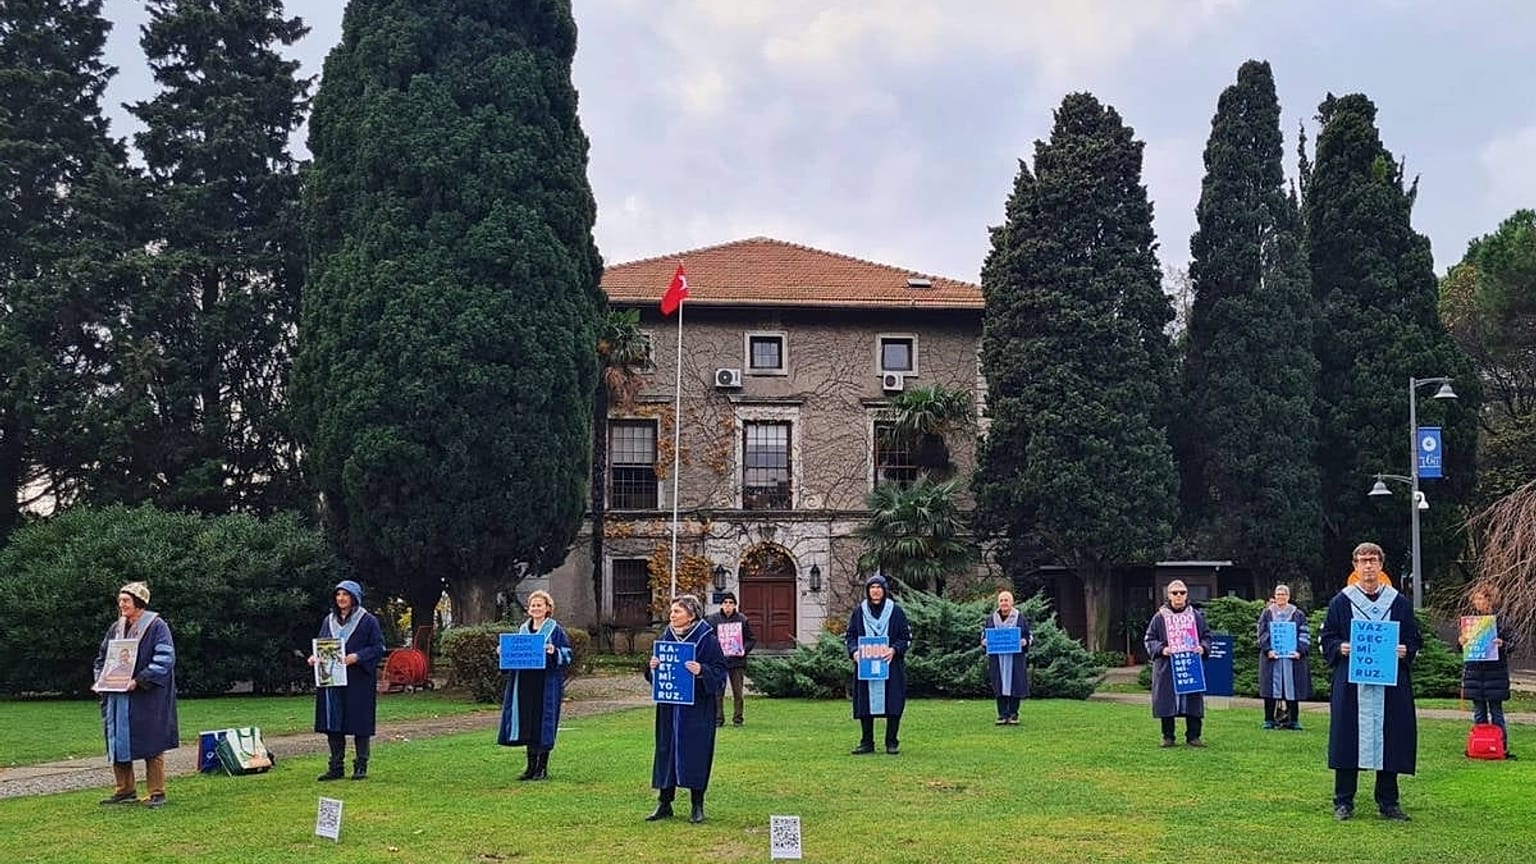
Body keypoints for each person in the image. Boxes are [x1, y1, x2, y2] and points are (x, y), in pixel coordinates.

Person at [1321, 542, 1421, 821]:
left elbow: (1414, 638)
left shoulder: (1398, 602)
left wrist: (1406, 650)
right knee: (1347, 738)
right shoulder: (1341, 602)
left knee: (1391, 738)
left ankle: (1388, 802)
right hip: (1352, 685)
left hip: (1390, 684)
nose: (1368, 566)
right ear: (1355, 566)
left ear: (1381, 565)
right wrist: (1339, 647)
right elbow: (1326, 637)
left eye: (1373, 560)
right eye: (1363, 561)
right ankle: (1343, 801)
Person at [644, 595, 728, 824]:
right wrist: (652, 668)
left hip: (697, 708)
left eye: (677, 611)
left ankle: (697, 804)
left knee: (696, 752)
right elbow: (654, 673)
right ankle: (664, 802)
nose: (672, 615)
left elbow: (720, 672)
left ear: (691, 615)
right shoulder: (666, 637)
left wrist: (702, 670)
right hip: (670, 708)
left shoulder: (706, 639)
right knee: (666, 750)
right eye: (671, 611)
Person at [94, 582, 178, 808]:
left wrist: (139, 680)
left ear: (139, 603)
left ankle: (157, 792)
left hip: (146, 697)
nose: (121, 604)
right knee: (117, 743)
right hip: (117, 696)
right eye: (120, 600)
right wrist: (100, 680)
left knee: (152, 743)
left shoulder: (157, 626)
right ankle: (125, 790)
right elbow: (103, 657)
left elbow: (165, 659)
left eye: (126, 600)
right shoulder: (116, 628)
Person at [309, 580, 386, 781]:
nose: (341, 598)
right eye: (338, 594)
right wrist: (315, 658)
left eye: (345, 594)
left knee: (359, 723)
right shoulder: (329, 621)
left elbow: (378, 648)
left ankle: (360, 765)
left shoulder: (368, 621)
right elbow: (322, 645)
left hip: (358, 679)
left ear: (354, 597)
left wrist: (357, 657)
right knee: (334, 723)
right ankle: (336, 766)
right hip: (333, 680)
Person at [497, 590, 573, 780]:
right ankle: (530, 767)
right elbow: (515, 656)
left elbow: (568, 655)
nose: (536, 608)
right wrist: (503, 653)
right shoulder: (522, 631)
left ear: (548, 608)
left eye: (540, 605)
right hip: (524, 683)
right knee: (527, 722)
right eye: (533, 605)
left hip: (546, 683)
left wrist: (554, 650)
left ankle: (542, 768)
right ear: (528, 609)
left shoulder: (555, 630)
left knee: (543, 723)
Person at [846, 573, 911, 755]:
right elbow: (850, 636)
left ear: (884, 590)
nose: (875, 591)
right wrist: (854, 652)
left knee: (893, 702)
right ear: (868, 591)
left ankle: (891, 741)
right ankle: (867, 742)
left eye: (878, 588)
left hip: (890, 665)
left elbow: (905, 637)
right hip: (866, 664)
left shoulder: (895, 611)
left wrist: (894, 650)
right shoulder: (859, 612)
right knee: (865, 704)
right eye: (872, 588)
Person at [1144, 579, 1212, 748]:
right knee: (1167, 702)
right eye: (1175, 593)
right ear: (1169, 596)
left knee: (1193, 701)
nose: (1179, 596)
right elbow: (1149, 639)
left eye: (1182, 592)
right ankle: (1168, 736)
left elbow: (1207, 636)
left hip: (1190, 665)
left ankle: (1193, 736)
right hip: (1167, 666)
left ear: (1187, 595)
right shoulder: (1159, 617)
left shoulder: (1195, 616)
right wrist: (1162, 649)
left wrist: (1202, 648)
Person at [1460, 583, 1516, 759]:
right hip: (1475, 674)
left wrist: (1502, 645)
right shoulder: (1470, 622)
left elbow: (1514, 644)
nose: (1477, 602)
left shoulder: (1501, 621)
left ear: (1489, 600)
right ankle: (1480, 745)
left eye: (1480, 598)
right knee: (1479, 712)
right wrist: (1461, 642)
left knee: (1496, 712)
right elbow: (1464, 647)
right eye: (1475, 599)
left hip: (1495, 674)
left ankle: (1500, 746)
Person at [1257, 584, 1312, 730]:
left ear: (1288, 596)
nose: (1280, 597)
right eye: (1278, 594)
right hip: (1272, 658)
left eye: (1283, 594)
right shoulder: (1267, 613)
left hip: (1292, 658)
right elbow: (1262, 633)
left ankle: (1293, 720)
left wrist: (1300, 651)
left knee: (1291, 689)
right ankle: (1269, 719)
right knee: (1270, 690)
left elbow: (1304, 633)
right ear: (1274, 596)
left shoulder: (1297, 614)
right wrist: (1268, 649)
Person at [705, 591, 757, 727]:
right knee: (718, 693)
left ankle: (738, 719)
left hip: (737, 661)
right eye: (725, 603)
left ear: (735, 605)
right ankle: (717, 719)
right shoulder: (712, 620)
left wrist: (743, 650)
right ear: (721, 605)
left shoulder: (742, 620)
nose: (728, 606)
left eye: (731, 603)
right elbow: (708, 638)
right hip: (719, 662)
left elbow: (751, 639)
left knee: (738, 693)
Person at [981, 589, 1031, 725]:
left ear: (1012, 602)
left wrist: (1024, 642)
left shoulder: (1020, 618)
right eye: (1001, 600)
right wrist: (985, 642)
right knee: (999, 685)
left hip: (1015, 658)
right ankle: (1002, 714)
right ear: (998, 603)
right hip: (997, 659)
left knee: (1015, 684)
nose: (1004, 603)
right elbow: (984, 636)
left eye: (1006, 600)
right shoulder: (991, 619)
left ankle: (1014, 714)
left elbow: (1028, 635)